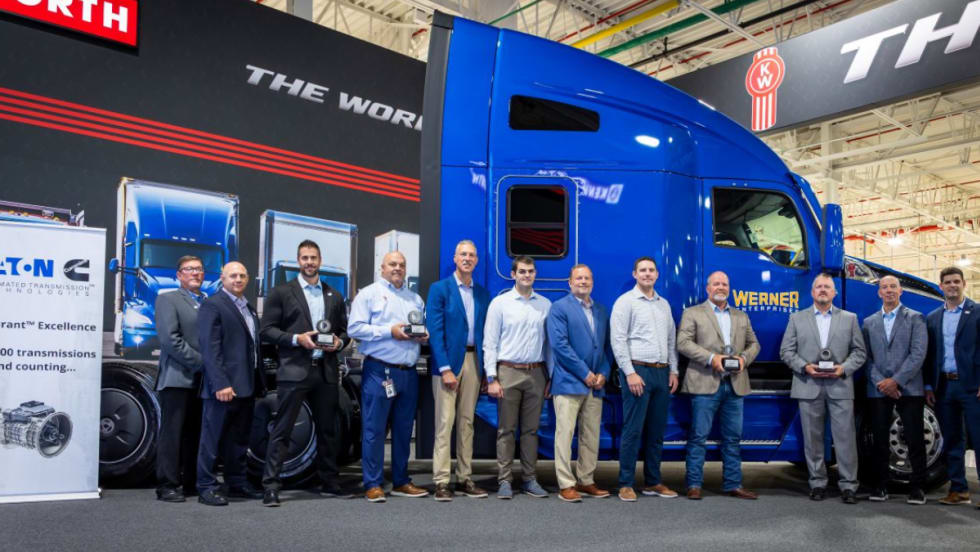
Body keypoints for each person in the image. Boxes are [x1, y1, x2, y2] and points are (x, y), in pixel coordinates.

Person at [259, 240, 351, 506]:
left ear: (320, 260)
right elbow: (266, 331)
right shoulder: (281, 293)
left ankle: (330, 482)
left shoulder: (334, 294)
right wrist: (297, 339)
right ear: (298, 261)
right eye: (304, 258)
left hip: (325, 371)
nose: (309, 262)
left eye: (313, 258)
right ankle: (271, 486)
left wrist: (339, 343)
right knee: (282, 430)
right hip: (294, 371)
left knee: (328, 430)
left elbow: (344, 331)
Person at [348, 251, 429, 502]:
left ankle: (401, 480)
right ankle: (372, 482)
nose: (397, 268)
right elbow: (355, 328)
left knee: (404, 430)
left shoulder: (414, 298)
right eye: (392, 264)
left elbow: (419, 327)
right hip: (379, 371)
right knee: (374, 429)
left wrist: (423, 335)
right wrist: (389, 331)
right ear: (381, 267)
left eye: (402, 265)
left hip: (408, 372)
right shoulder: (368, 294)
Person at [779, 273, 866, 504]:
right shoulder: (796, 319)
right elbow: (786, 352)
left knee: (845, 438)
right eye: (819, 287)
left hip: (840, 386)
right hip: (808, 385)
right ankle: (817, 483)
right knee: (812, 439)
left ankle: (848, 486)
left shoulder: (850, 319)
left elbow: (860, 352)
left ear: (834, 292)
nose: (823, 290)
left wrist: (843, 369)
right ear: (812, 292)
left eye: (827, 287)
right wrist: (804, 367)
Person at [676, 270, 760, 500]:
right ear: (708, 288)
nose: (720, 287)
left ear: (729, 288)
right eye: (716, 284)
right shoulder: (693, 313)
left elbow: (754, 344)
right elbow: (682, 343)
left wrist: (744, 359)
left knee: (733, 438)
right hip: (704, 384)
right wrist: (712, 358)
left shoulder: (741, 316)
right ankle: (693, 484)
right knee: (698, 437)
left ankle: (733, 484)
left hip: (735, 385)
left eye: (724, 284)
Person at [195, 261, 266, 506]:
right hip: (223, 388)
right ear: (222, 279)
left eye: (242, 275)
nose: (238, 279)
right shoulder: (212, 305)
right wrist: (220, 383)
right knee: (211, 440)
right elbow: (209, 348)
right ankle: (206, 486)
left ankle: (236, 483)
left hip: (246, 386)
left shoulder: (249, 308)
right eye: (233, 275)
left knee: (238, 440)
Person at [609, 257, 679, 502]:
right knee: (633, 430)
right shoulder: (625, 302)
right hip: (638, 372)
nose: (647, 274)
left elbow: (671, 341)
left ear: (657, 275)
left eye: (651, 270)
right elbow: (618, 340)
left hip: (662, 372)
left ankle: (653, 481)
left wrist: (674, 371)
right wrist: (629, 373)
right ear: (635, 274)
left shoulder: (664, 305)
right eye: (643, 270)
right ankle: (626, 483)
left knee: (656, 432)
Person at [426, 240, 490, 501]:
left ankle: (465, 477)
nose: (467, 258)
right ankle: (442, 481)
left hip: (474, 362)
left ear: (476, 261)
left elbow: (486, 335)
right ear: (455, 258)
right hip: (448, 365)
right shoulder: (439, 289)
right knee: (444, 423)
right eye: (463, 254)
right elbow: (436, 332)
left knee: (467, 424)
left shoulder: (483, 294)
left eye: (471, 255)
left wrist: (487, 371)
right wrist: (445, 368)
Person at [483, 256, 552, 499]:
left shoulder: (545, 305)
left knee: (531, 431)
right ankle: (504, 480)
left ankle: (530, 479)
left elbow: (549, 346)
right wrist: (492, 377)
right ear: (513, 274)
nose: (526, 275)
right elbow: (489, 343)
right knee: (506, 430)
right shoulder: (500, 304)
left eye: (530, 271)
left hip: (536, 373)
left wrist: (550, 376)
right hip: (508, 372)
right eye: (522, 271)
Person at [861, 275, 928, 505]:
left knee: (914, 438)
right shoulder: (869, 322)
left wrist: (896, 381)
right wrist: (882, 382)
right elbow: (866, 358)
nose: (889, 290)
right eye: (884, 287)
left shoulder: (916, 318)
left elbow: (918, 354)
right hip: (878, 389)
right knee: (879, 440)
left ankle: (918, 487)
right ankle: (880, 486)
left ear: (901, 291)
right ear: (879, 293)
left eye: (893, 287)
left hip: (909, 389)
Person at [547, 264, 611, 503]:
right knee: (564, 434)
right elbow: (560, 347)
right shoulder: (559, 308)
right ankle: (566, 484)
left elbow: (605, 348)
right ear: (570, 282)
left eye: (587, 278)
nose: (583, 282)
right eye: (579, 278)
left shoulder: (601, 311)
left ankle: (586, 480)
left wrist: (603, 372)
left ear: (592, 282)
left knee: (590, 435)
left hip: (596, 385)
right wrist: (586, 374)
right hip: (569, 382)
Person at [924, 266, 980, 507]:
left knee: (979, 439)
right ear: (941, 287)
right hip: (944, 387)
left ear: (964, 284)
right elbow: (930, 355)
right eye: (947, 282)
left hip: (972, 387)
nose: (952, 285)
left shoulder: (977, 313)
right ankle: (958, 490)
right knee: (952, 440)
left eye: (956, 281)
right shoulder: (934, 317)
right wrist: (928, 385)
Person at [154, 255, 207, 503]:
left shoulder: (207, 302)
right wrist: (202, 363)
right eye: (189, 269)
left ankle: (190, 482)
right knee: (172, 435)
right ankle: (167, 485)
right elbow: (170, 340)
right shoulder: (167, 299)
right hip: (177, 378)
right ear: (179, 274)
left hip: (202, 382)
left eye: (199, 269)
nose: (195, 273)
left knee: (194, 435)